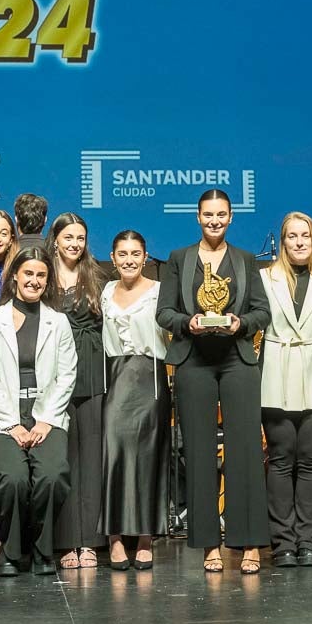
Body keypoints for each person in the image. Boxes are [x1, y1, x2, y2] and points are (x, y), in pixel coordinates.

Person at [157, 189, 271, 574]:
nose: (214, 221)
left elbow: (261, 312)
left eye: (221, 214)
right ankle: (209, 544)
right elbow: (164, 313)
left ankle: (250, 543)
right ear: (197, 216)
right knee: (200, 453)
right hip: (194, 360)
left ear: (231, 217)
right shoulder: (178, 259)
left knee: (245, 453)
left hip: (237, 360)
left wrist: (242, 323)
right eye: (208, 215)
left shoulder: (245, 259)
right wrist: (186, 323)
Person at [0, 248, 77, 577]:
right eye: (28, 274)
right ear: (15, 276)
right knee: (14, 479)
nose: (34, 280)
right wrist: (12, 425)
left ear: (47, 281)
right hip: (5, 419)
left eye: (41, 275)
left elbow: (67, 375)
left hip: (48, 418)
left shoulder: (58, 322)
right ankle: (11, 550)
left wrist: (46, 420)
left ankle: (42, 550)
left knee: (52, 476)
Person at [259, 211, 312, 568]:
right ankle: (282, 541)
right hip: (275, 370)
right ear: (282, 242)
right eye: (292, 236)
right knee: (281, 457)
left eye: (305, 236)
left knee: (310, 459)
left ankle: (308, 541)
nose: (298, 242)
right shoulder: (264, 278)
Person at [101, 230, 170, 571]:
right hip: (114, 379)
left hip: (150, 381)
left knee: (147, 457)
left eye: (136, 253)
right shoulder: (104, 292)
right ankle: (114, 538)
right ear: (112, 258)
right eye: (123, 253)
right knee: (114, 454)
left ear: (145, 257)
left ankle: (145, 538)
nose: (129, 259)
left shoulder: (160, 292)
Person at [46, 212, 107, 569]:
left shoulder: (96, 275)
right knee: (65, 457)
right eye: (68, 237)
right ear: (55, 239)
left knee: (91, 458)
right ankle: (67, 541)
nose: (74, 243)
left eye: (80, 238)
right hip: (55, 374)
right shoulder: (42, 273)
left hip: (92, 370)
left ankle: (90, 542)